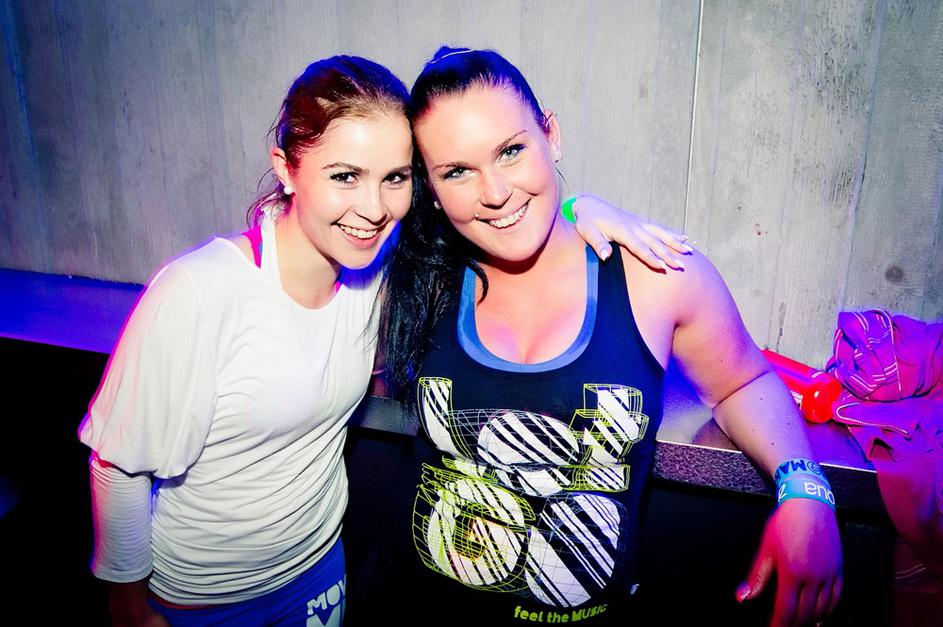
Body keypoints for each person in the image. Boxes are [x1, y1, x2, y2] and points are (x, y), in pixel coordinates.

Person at [78, 54, 686, 626]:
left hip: (318, 575)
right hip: (199, 599)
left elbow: (496, 206)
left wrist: (580, 208)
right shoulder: (200, 291)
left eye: (394, 178)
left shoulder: (372, 271)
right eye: (344, 176)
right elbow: (117, 465)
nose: (372, 207)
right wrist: (128, 608)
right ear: (286, 168)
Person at [379, 47, 843, 627]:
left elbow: (741, 382)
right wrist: (575, 205)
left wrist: (804, 490)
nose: (494, 191)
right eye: (457, 172)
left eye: (511, 151)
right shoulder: (417, 279)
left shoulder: (653, 275)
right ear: (430, 186)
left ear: (551, 135)